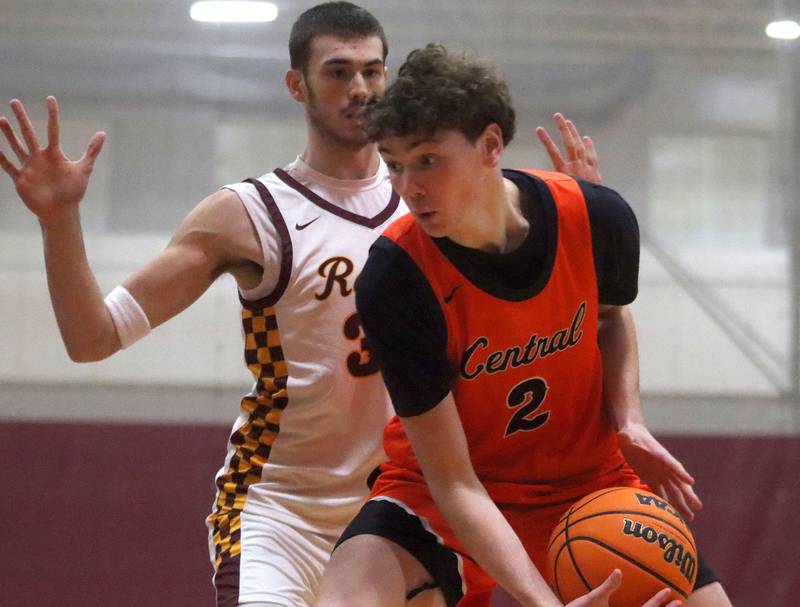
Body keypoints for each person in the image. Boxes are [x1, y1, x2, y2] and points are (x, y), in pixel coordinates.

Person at [0, 4, 596, 607]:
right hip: (282, 512)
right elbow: (92, 337)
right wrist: (59, 222)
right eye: (338, 72)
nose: (360, 88)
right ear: (297, 84)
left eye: (373, 71)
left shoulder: (445, 203)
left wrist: (575, 214)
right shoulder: (250, 213)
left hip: (408, 512)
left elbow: (562, 313)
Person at [313, 45, 733, 607]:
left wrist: (629, 420)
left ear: (490, 146)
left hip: (588, 486)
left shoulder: (598, 216)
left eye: (428, 160)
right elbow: (454, 483)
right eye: (394, 163)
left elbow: (610, 318)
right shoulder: (395, 277)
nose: (407, 187)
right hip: (446, 496)